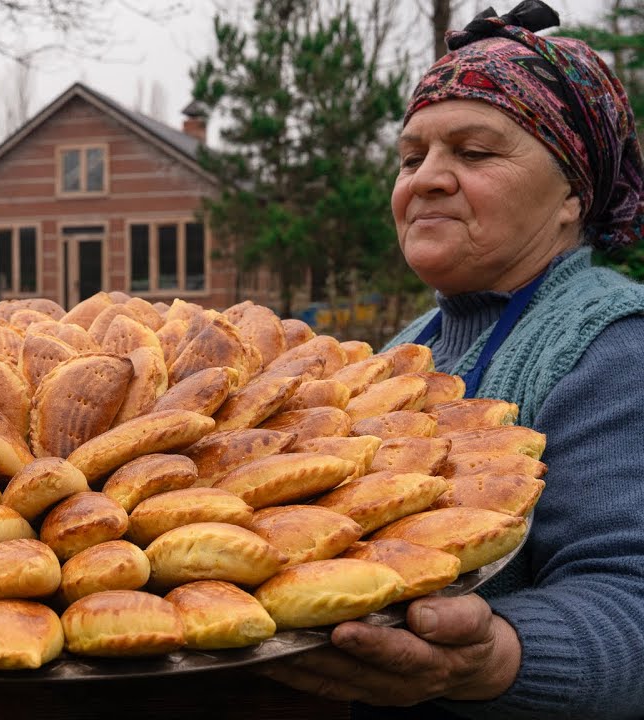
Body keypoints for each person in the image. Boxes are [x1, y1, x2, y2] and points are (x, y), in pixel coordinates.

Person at [255, 2, 644, 717]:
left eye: (473, 153)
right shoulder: (411, 346)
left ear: (572, 197)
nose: (425, 179)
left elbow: (630, 604)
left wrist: (493, 659)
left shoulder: (613, 346)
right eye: (412, 157)